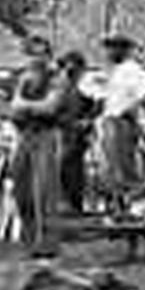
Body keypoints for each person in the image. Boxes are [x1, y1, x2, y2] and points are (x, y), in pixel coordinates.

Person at [9, 35, 66, 249]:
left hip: (45, 134)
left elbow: (50, 107)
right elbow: (14, 105)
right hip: (23, 135)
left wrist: (26, 106)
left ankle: (48, 241)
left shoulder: (56, 78)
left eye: (40, 53)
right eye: (31, 54)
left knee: (45, 188)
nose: (35, 58)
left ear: (48, 55)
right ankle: (27, 237)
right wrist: (31, 106)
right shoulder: (24, 78)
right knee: (20, 184)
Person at [98, 31, 145, 210]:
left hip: (121, 123)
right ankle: (119, 208)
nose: (107, 53)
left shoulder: (133, 70)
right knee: (112, 171)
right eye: (107, 48)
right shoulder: (117, 72)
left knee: (124, 170)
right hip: (111, 123)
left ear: (122, 50)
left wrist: (134, 116)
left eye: (111, 48)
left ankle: (131, 209)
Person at [54, 50, 102, 214]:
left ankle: (75, 205)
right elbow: (54, 115)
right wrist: (76, 124)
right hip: (65, 138)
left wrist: (93, 111)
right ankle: (68, 205)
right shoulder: (60, 88)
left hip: (77, 140)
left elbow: (88, 106)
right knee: (67, 169)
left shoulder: (75, 88)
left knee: (76, 172)